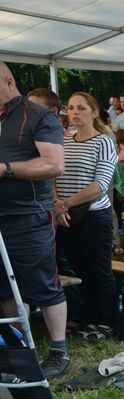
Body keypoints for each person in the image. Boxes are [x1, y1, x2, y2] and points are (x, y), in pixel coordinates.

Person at [0, 62, 69, 378]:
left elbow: (54, 165)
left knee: (41, 282)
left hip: (29, 215)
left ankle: (59, 351)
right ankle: (21, 350)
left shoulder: (39, 116)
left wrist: (6, 169)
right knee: (5, 287)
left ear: (8, 81)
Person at [54, 92, 118, 341]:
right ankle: (90, 317)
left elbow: (100, 184)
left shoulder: (103, 142)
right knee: (81, 269)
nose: (74, 112)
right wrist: (58, 205)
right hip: (65, 217)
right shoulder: (63, 142)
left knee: (100, 271)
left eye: (81, 108)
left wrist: (65, 204)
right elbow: (54, 176)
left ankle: (107, 320)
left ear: (94, 112)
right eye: (70, 108)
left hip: (93, 216)